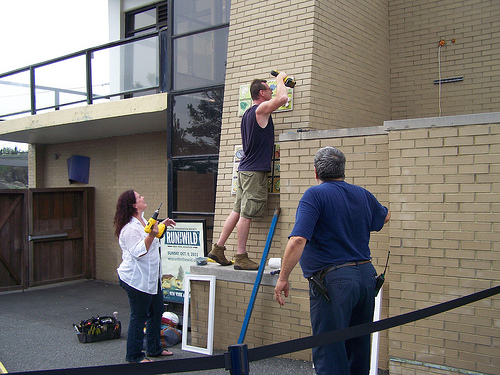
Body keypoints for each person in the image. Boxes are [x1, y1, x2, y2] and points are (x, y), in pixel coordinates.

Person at [274, 147, 391, 374]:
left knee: (330, 353)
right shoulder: (362, 194)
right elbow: (385, 215)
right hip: (366, 279)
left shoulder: (314, 195)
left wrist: (283, 277)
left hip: (333, 284)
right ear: (343, 171)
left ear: (316, 171)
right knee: (358, 350)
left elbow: (298, 240)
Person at [208, 71, 290, 270]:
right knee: (246, 214)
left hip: (245, 169)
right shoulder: (260, 110)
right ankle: (241, 256)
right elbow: (283, 98)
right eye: (268, 89)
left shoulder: (247, 114)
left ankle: (217, 249)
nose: (271, 91)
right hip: (254, 172)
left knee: (237, 211)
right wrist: (280, 80)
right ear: (261, 93)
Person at [114, 190, 176, 363]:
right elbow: (139, 251)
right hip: (135, 280)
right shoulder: (129, 229)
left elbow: (153, 236)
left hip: (151, 278)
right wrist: (151, 234)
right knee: (139, 316)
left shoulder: (143, 221)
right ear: (134, 205)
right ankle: (134, 356)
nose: (143, 197)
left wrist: (161, 225)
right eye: (139, 197)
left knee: (156, 312)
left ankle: (154, 348)